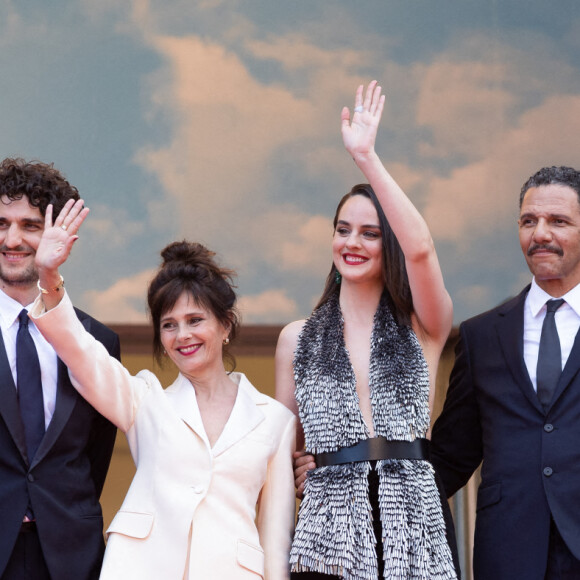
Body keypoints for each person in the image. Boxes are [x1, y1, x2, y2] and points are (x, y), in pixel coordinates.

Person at [30, 200, 297, 580]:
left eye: (194, 320)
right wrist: (49, 277)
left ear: (226, 326)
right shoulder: (145, 398)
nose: (182, 335)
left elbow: (275, 539)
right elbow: (83, 353)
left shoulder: (276, 421)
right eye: (169, 325)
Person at [276, 81, 458, 580]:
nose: (352, 242)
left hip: (414, 531)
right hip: (328, 537)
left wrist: (366, 159)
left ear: (389, 242)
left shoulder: (423, 325)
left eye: (370, 232)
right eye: (343, 229)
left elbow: (421, 249)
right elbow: (285, 455)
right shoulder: (297, 338)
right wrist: (300, 473)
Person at [430, 165, 580, 580]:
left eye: (558, 221)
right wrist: (351, 471)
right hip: (509, 552)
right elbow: (450, 455)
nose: (540, 234)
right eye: (529, 221)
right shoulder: (482, 335)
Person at [0, 158, 119, 580]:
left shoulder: (98, 342)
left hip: (72, 554)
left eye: (30, 225)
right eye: (1, 223)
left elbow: (94, 458)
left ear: (62, 235)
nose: (12, 239)